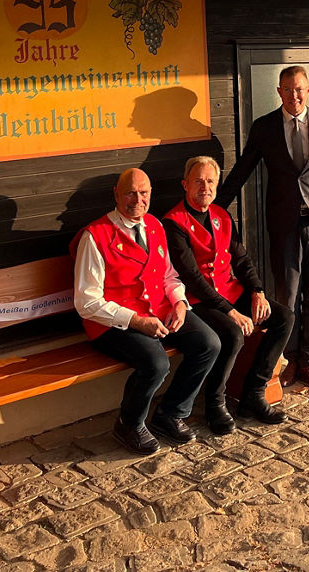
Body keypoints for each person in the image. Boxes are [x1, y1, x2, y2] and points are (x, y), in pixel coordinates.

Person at [217, 65, 309, 390]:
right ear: (279, 92)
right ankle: (290, 359)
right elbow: (242, 170)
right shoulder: (264, 127)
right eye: (288, 89)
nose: (294, 95)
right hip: (284, 226)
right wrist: (215, 207)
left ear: (308, 91)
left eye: (299, 89)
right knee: (287, 296)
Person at [71, 168, 221, 456]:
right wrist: (136, 321)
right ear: (116, 194)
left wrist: (179, 303)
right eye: (130, 193)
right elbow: (86, 302)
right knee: (156, 363)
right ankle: (129, 424)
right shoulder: (95, 236)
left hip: (158, 311)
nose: (137, 200)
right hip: (112, 323)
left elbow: (168, 275)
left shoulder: (154, 225)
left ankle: (170, 414)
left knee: (208, 343)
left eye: (143, 193)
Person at [163, 156, 292, 432]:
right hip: (198, 301)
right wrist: (231, 312)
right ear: (185, 184)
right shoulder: (173, 223)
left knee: (284, 318)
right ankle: (215, 403)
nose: (205, 187)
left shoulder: (222, 215)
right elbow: (192, 278)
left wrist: (257, 291)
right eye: (198, 181)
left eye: (210, 181)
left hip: (230, 291)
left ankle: (253, 393)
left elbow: (242, 260)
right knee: (232, 334)